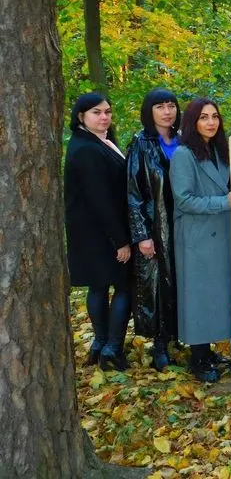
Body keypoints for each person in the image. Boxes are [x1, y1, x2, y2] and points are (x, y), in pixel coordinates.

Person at [170, 97, 231, 383]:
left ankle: (209, 350)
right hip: (196, 236)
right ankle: (198, 357)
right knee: (198, 297)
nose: (211, 122)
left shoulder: (217, 150)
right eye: (204, 117)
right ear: (193, 121)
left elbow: (223, 187)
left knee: (216, 295)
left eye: (214, 116)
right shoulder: (183, 154)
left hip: (218, 234)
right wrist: (223, 201)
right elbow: (184, 199)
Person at [65, 93, 132, 371]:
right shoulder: (86, 149)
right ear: (81, 116)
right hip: (100, 231)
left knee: (99, 285)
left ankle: (101, 344)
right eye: (96, 112)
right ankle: (111, 347)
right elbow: (99, 198)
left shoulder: (97, 142)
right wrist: (120, 240)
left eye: (107, 111)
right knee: (125, 286)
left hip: (93, 231)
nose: (104, 116)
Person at [128, 88, 182, 371]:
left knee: (180, 280)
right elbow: (133, 192)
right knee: (157, 284)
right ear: (150, 111)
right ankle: (160, 342)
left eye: (171, 105)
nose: (166, 111)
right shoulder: (141, 143)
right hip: (155, 223)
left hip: (184, 225)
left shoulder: (185, 140)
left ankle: (179, 334)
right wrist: (141, 235)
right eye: (160, 106)